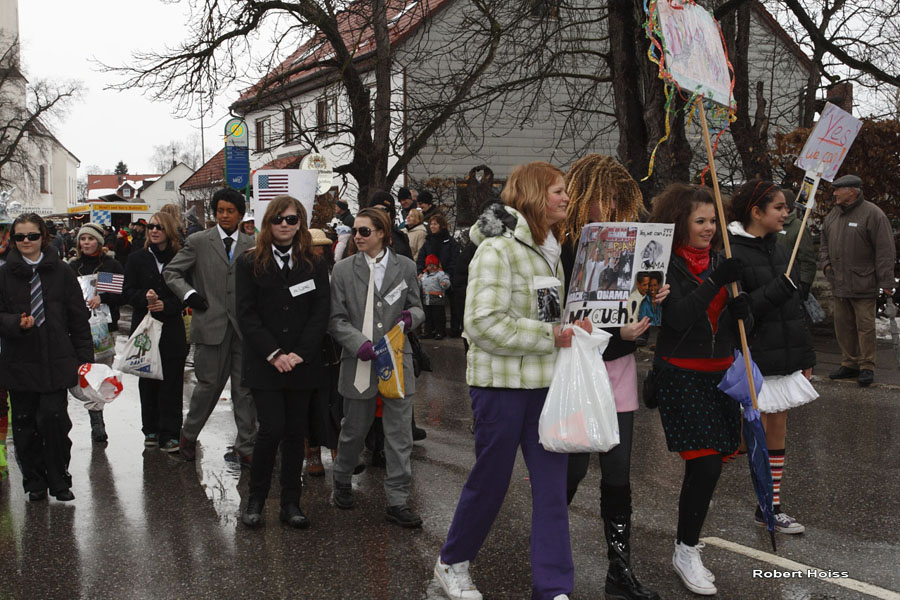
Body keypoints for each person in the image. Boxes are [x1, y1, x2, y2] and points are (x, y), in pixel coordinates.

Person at [434, 162, 591, 600]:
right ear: (535, 195)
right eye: (558, 191)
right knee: (491, 481)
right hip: (499, 388)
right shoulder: (498, 250)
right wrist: (552, 335)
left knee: (551, 491)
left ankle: (554, 587)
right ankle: (453, 563)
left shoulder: (551, 248)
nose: (565, 198)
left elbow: (548, 316)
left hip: (545, 388)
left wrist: (575, 328)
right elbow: (482, 324)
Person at [557, 154, 664, 600]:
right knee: (574, 468)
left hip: (617, 369)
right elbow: (563, 318)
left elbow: (637, 322)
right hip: (579, 372)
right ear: (585, 197)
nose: (613, 206)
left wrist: (650, 301)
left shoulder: (634, 246)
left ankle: (619, 569)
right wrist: (612, 331)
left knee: (618, 473)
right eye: (606, 198)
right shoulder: (563, 247)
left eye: (620, 199)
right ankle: (548, 549)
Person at [648, 183, 751, 596]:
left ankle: (686, 542)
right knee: (704, 463)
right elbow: (680, 318)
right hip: (681, 374)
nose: (709, 228)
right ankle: (687, 550)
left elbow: (737, 329)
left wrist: (745, 312)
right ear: (680, 223)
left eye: (713, 221)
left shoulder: (723, 260)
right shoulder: (664, 265)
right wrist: (715, 281)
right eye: (700, 221)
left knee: (712, 466)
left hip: (721, 374)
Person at [727, 180, 818, 535]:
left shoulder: (783, 248)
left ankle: (770, 505)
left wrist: (805, 355)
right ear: (756, 212)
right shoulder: (732, 251)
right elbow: (741, 312)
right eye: (779, 208)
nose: (786, 214)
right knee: (752, 431)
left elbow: (794, 310)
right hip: (754, 353)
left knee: (778, 425)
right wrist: (776, 290)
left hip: (784, 353)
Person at [236, 196, 330, 528]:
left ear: (300, 224)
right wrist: (274, 354)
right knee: (270, 430)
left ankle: (291, 503)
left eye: (292, 220)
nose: (285, 226)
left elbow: (321, 312)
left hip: (301, 362)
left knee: (295, 433)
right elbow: (246, 315)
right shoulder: (249, 262)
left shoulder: (315, 264)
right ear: (268, 223)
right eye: (279, 219)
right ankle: (256, 500)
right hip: (266, 363)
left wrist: (299, 353)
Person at [328, 207, 425, 527]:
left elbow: (416, 306)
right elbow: (336, 320)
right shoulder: (342, 270)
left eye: (364, 231)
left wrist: (411, 318)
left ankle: (397, 500)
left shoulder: (406, 267)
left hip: (398, 363)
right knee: (354, 430)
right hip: (360, 362)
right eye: (355, 231)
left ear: (382, 233)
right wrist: (359, 344)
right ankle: (342, 478)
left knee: (399, 436)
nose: (357, 236)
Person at [0, 213, 92, 502]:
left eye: (32, 236)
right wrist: (15, 323)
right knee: (25, 424)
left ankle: (59, 479)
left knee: (54, 420)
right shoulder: (3, 274)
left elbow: (78, 318)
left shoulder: (62, 272)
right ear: (13, 240)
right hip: (19, 360)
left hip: (56, 359)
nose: (26, 242)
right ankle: (34, 481)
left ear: (43, 237)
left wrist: (85, 361)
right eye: (20, 237)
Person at [164, 187, 257, 465]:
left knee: (245, 389)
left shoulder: (252, 243)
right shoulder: (199, 241)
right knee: (208, 387)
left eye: (230, 211)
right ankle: (188, 437)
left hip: (244, 329)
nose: (225, 215)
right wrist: (190, 294)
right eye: (220, 211)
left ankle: (246, 446)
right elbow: (172, 272)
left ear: (240, 214)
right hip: (210, 326)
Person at [818, 174, 895, 387]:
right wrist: (826, 265)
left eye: (838, 190)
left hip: (864, 283)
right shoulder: (833, 215)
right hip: (839, 283)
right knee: (843, 325)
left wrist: (887, 282)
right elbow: (823, 243)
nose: (834, 193)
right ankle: (849, 363)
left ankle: (867, 366)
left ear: (852, 191)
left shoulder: (873, 214)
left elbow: (885, 251)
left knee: (865, 326)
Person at [123, 212, 188, 453]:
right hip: (144, 326)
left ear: (169, 230)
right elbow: (126, 291)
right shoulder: (137, 258)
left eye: (159, 227)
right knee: (147, 380)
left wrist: (167, 305)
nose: (154, 231)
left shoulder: (180, 258)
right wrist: (144, 298)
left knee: (172, 382)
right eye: (150, 226)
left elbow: (188, 292)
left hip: (171, 327)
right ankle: (150, 429)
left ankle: (170, 432)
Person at [68, 222, 125, 443]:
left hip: (104, 329)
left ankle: (97, 420)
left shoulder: (110, 265)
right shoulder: (73, 267)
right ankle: (91, 410)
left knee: (100, 373)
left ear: (99, 242)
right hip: (78, 328)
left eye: (90, 239)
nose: (86, 243)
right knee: (79, 372)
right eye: (83, 239)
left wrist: (102, 297)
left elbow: (120, 295)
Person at [305, 228, 341, 476]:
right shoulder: (298, 274)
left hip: (333, 343)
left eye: (323, 247)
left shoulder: (335, 272)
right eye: (314, 248)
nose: (319, 251)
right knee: (311, 401)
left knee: (336, 400)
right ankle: (312, 452)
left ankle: (339, 452)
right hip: (308, 345)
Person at [416, 214, 460, 335]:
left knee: (451, 305)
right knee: (431, 307)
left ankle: (453, 329)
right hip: (429, 279)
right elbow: (421, 258)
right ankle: (430, 330)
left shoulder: (450, 242)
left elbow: (454, 259)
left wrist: (447, 274)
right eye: (431, 224)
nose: (432, 226)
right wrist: (420, 272)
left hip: (445, 277)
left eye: (435, 224)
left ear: (441, 225)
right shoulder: (428, 242)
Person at [775, 190, 815, 302]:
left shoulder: (798, 228)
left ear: (787, 207)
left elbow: (807, 260)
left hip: (792, 283)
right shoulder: (771, 224)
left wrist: (805, 283)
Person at [368, 191, 414, 260]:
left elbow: (409, 266)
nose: (380, 214)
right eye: (376, 210)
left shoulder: (401, 237)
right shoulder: (360, 234)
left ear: (391, 214)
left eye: (385, 210)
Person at [419, 254, 451, 339]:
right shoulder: (424, 275)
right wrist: (418, 281)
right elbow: (420, 284)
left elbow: (446, 281)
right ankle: (428, 332)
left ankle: (440, 332)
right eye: (430, 265)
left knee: (438, 318)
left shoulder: (440, 274)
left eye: (434, 265)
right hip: (427, 300)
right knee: (428, 318)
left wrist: (445, 283)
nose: (432, 267)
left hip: (438, 300)